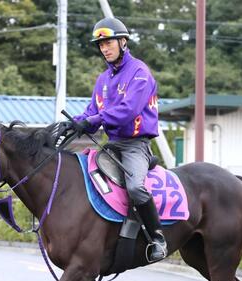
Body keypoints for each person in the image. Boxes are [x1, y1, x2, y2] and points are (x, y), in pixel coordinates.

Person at [60, 17, 167, 262]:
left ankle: (158, 237)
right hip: (112, 145)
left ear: (123, 42)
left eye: (108, 43)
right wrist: (72, 124)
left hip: (135, 146)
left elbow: (128, 111)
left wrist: (93, 121)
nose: (104, 48)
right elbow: (91, 111)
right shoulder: (103, 79)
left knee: (135, 188)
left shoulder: (140, 73)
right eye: (101, 45)